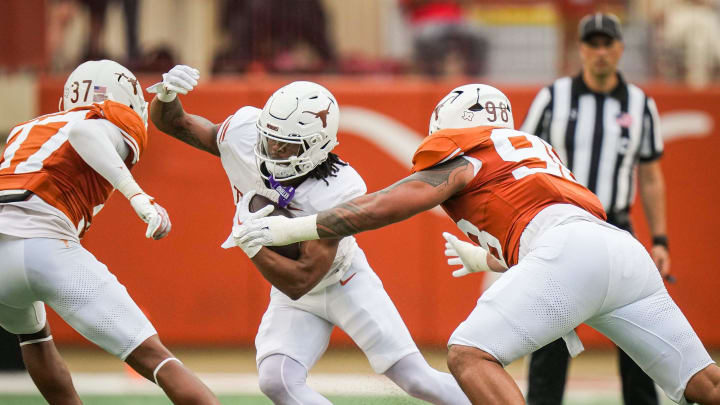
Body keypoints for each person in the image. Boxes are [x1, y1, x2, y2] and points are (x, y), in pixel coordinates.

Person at [235, 83, 720, 405]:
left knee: (468, 354)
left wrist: (292, 228)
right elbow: (545, 224)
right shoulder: (532, 149)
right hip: (619, 249)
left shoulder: (467, 152)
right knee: (704, 382)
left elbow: (384, 206)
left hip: (569, 251)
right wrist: (494, 256)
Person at [148, 66, 472, 405]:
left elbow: (301, 279)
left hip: (343, 281)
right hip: (295, 297)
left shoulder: (340, 188)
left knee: (417, 379)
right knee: (277, 380)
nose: (271, 151)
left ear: (318, 147)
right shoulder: (244, 133)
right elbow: (176, 123)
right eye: (268, 139)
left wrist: (250, 241)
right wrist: (166, 96)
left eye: (285, 147)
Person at [0, 60, 220, 405]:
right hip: (47, 246)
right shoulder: (110, 116)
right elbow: (84, 133)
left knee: (33, 339)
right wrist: (140, 198)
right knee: (156, 359)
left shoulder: (26, 129)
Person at [520, 12, 670, 405]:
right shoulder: (553, 98)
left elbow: (651, 177)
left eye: (608, 44)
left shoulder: (640, 104)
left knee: (639, 337)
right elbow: (523, 166)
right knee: (549, 335)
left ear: (620, 48)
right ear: (580, 49)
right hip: (562, 225)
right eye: (593, 44)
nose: (601, 52)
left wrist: (660, 239)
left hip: (618, 227)